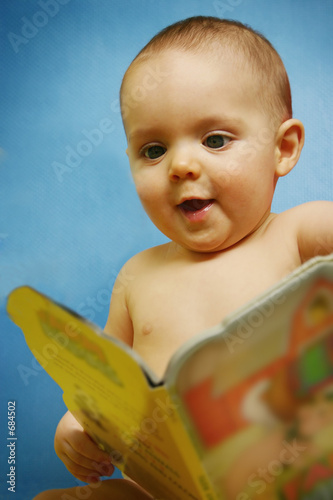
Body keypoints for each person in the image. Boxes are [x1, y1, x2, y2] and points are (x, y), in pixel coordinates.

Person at [33, 15, 333, 500]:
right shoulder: (138, 275)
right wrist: (78, 424)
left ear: (283, 147)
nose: (181, 166)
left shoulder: (297, 235)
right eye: (153, 150)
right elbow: (106, 381)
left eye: (215, 140)